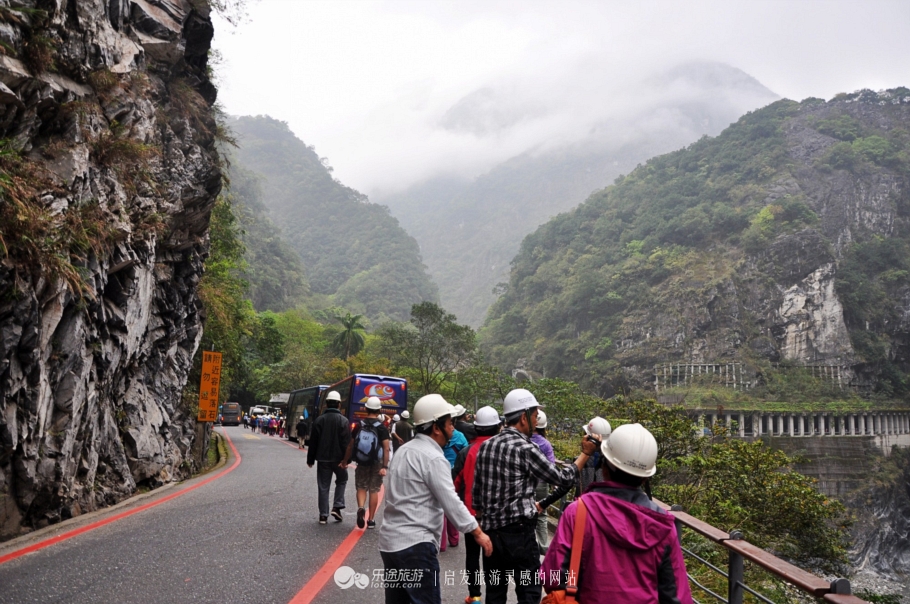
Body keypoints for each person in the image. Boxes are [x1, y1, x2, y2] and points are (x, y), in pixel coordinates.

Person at [541, 423, 693, 604]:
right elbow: (677, 596)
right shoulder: (662, 525)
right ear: (646, 477)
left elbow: (552, 576)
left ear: (604, 466)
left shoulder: (578, 512)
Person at [472, 388, 598, 604]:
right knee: (529, 590)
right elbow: (562, 478)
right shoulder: (526, 448)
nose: (536, 420)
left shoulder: (486, 446)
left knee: (495, 592)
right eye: (535, 415)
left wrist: (483, 527)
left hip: (491, 532)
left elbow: (477, 494)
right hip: (519, 533)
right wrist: (585, 453)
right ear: (523, 417)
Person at [378, 394, 493, 604]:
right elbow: (451, 501)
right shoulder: (434, 458)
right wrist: (477, 532)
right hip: (416, 546)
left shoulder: (404, 451)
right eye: (450, 423)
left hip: (390, 544)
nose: (453, 428)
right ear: (436, 427)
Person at [453, 405, 501, 604]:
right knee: (493, 557)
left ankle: (474, 596)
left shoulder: (466, 452)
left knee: (472, 556)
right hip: (497, 516)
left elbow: (455, 483)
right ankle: (494, 597)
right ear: (498, 427)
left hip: (471, 514)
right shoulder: (502, 451)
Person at [538, 416, 612, 513]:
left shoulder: (581, 461)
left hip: (582, 511)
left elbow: (566, 485)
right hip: (605, 512)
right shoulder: (612, 463)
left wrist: (543, 504)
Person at [342, 396, 391, 529]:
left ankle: (361, 508)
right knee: (374, 489)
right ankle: (371, 520)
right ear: (379, 410)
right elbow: (386, 448)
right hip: (376, 463)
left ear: (366, 409)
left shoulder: (359, 425)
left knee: (361, 487)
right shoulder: (382, 428)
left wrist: (345, 461)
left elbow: (351, 445)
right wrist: (384, 466)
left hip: (362, 461)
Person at [307, 391, 351, 525]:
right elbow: (346, 443)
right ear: (339, 404)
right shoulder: (344, 421)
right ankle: (337, 506)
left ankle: (323, 515)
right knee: (342, 479)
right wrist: (346, 460)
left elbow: (313, 442)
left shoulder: (319, 420)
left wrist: (310, 459)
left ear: (326, 404)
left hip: (323, 459)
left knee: (323, 486)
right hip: (339, 460)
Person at [440, 405, 470, 551]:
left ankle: (441, 543)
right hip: (455, 473)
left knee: (441, 507)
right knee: (452, 504)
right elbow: (466, 454)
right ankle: (454, 539)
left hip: (440, 471)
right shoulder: (460, 436)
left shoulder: (439, 435)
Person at [530, 409, 555, 555]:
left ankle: (530, 544)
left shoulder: (523, 439)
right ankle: (544, 546)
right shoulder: (545, 444)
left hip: (525, 483)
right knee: (542, 514)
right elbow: (551, 466)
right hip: (541, 483)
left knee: (526, 513)